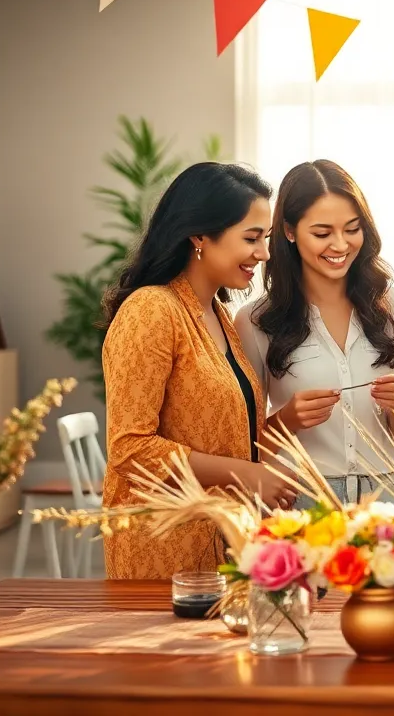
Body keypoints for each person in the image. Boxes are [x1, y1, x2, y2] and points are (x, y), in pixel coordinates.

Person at [101, 162, 296, 580]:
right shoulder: (151, 310)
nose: (263, 254)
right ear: (200, 236)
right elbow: (130, 449)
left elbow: (226, 434)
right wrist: (246, 473)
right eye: (251, 238)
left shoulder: (219, 315)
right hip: (166, 553)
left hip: (222, 545)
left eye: (265, 239)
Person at [236, 160, 394, 505]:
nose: (340, 245)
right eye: (322, 233)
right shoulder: (255, 321)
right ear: (290, 232)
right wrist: (286, 419)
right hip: (302, 497)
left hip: (387, 499)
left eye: (352, 229)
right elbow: (243, 445)